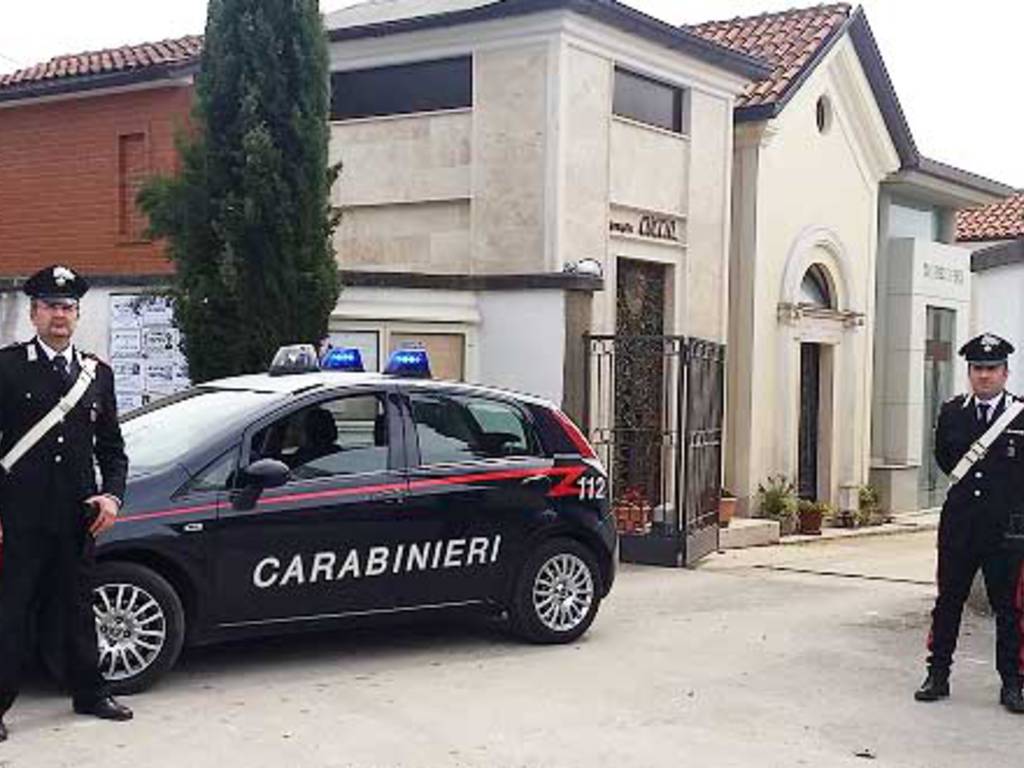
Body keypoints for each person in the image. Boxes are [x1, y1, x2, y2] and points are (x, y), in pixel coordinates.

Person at [0, 265, 132, 742]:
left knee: (77, 607)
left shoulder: (97, 374)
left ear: (78, 315)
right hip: (19, 516)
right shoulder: (7, 368)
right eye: (51, 306)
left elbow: (113, 450)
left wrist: (113, 496)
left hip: (77, 515)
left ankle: (90, 693)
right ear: (33, 313)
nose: (60, 315)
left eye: (68, 307)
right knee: (11, 610)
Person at [915, 332, 1024, 714]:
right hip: (960, 525)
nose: (984, 375)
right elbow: (945, 457)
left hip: (1005, 531)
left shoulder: (1021, 414)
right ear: (969, 372)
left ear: (1005, 373)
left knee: (1009, 610)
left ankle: (1013, 682)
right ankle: (938, 674)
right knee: (948, 603)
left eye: (991, 369)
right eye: (977, 368)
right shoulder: (952, 411)